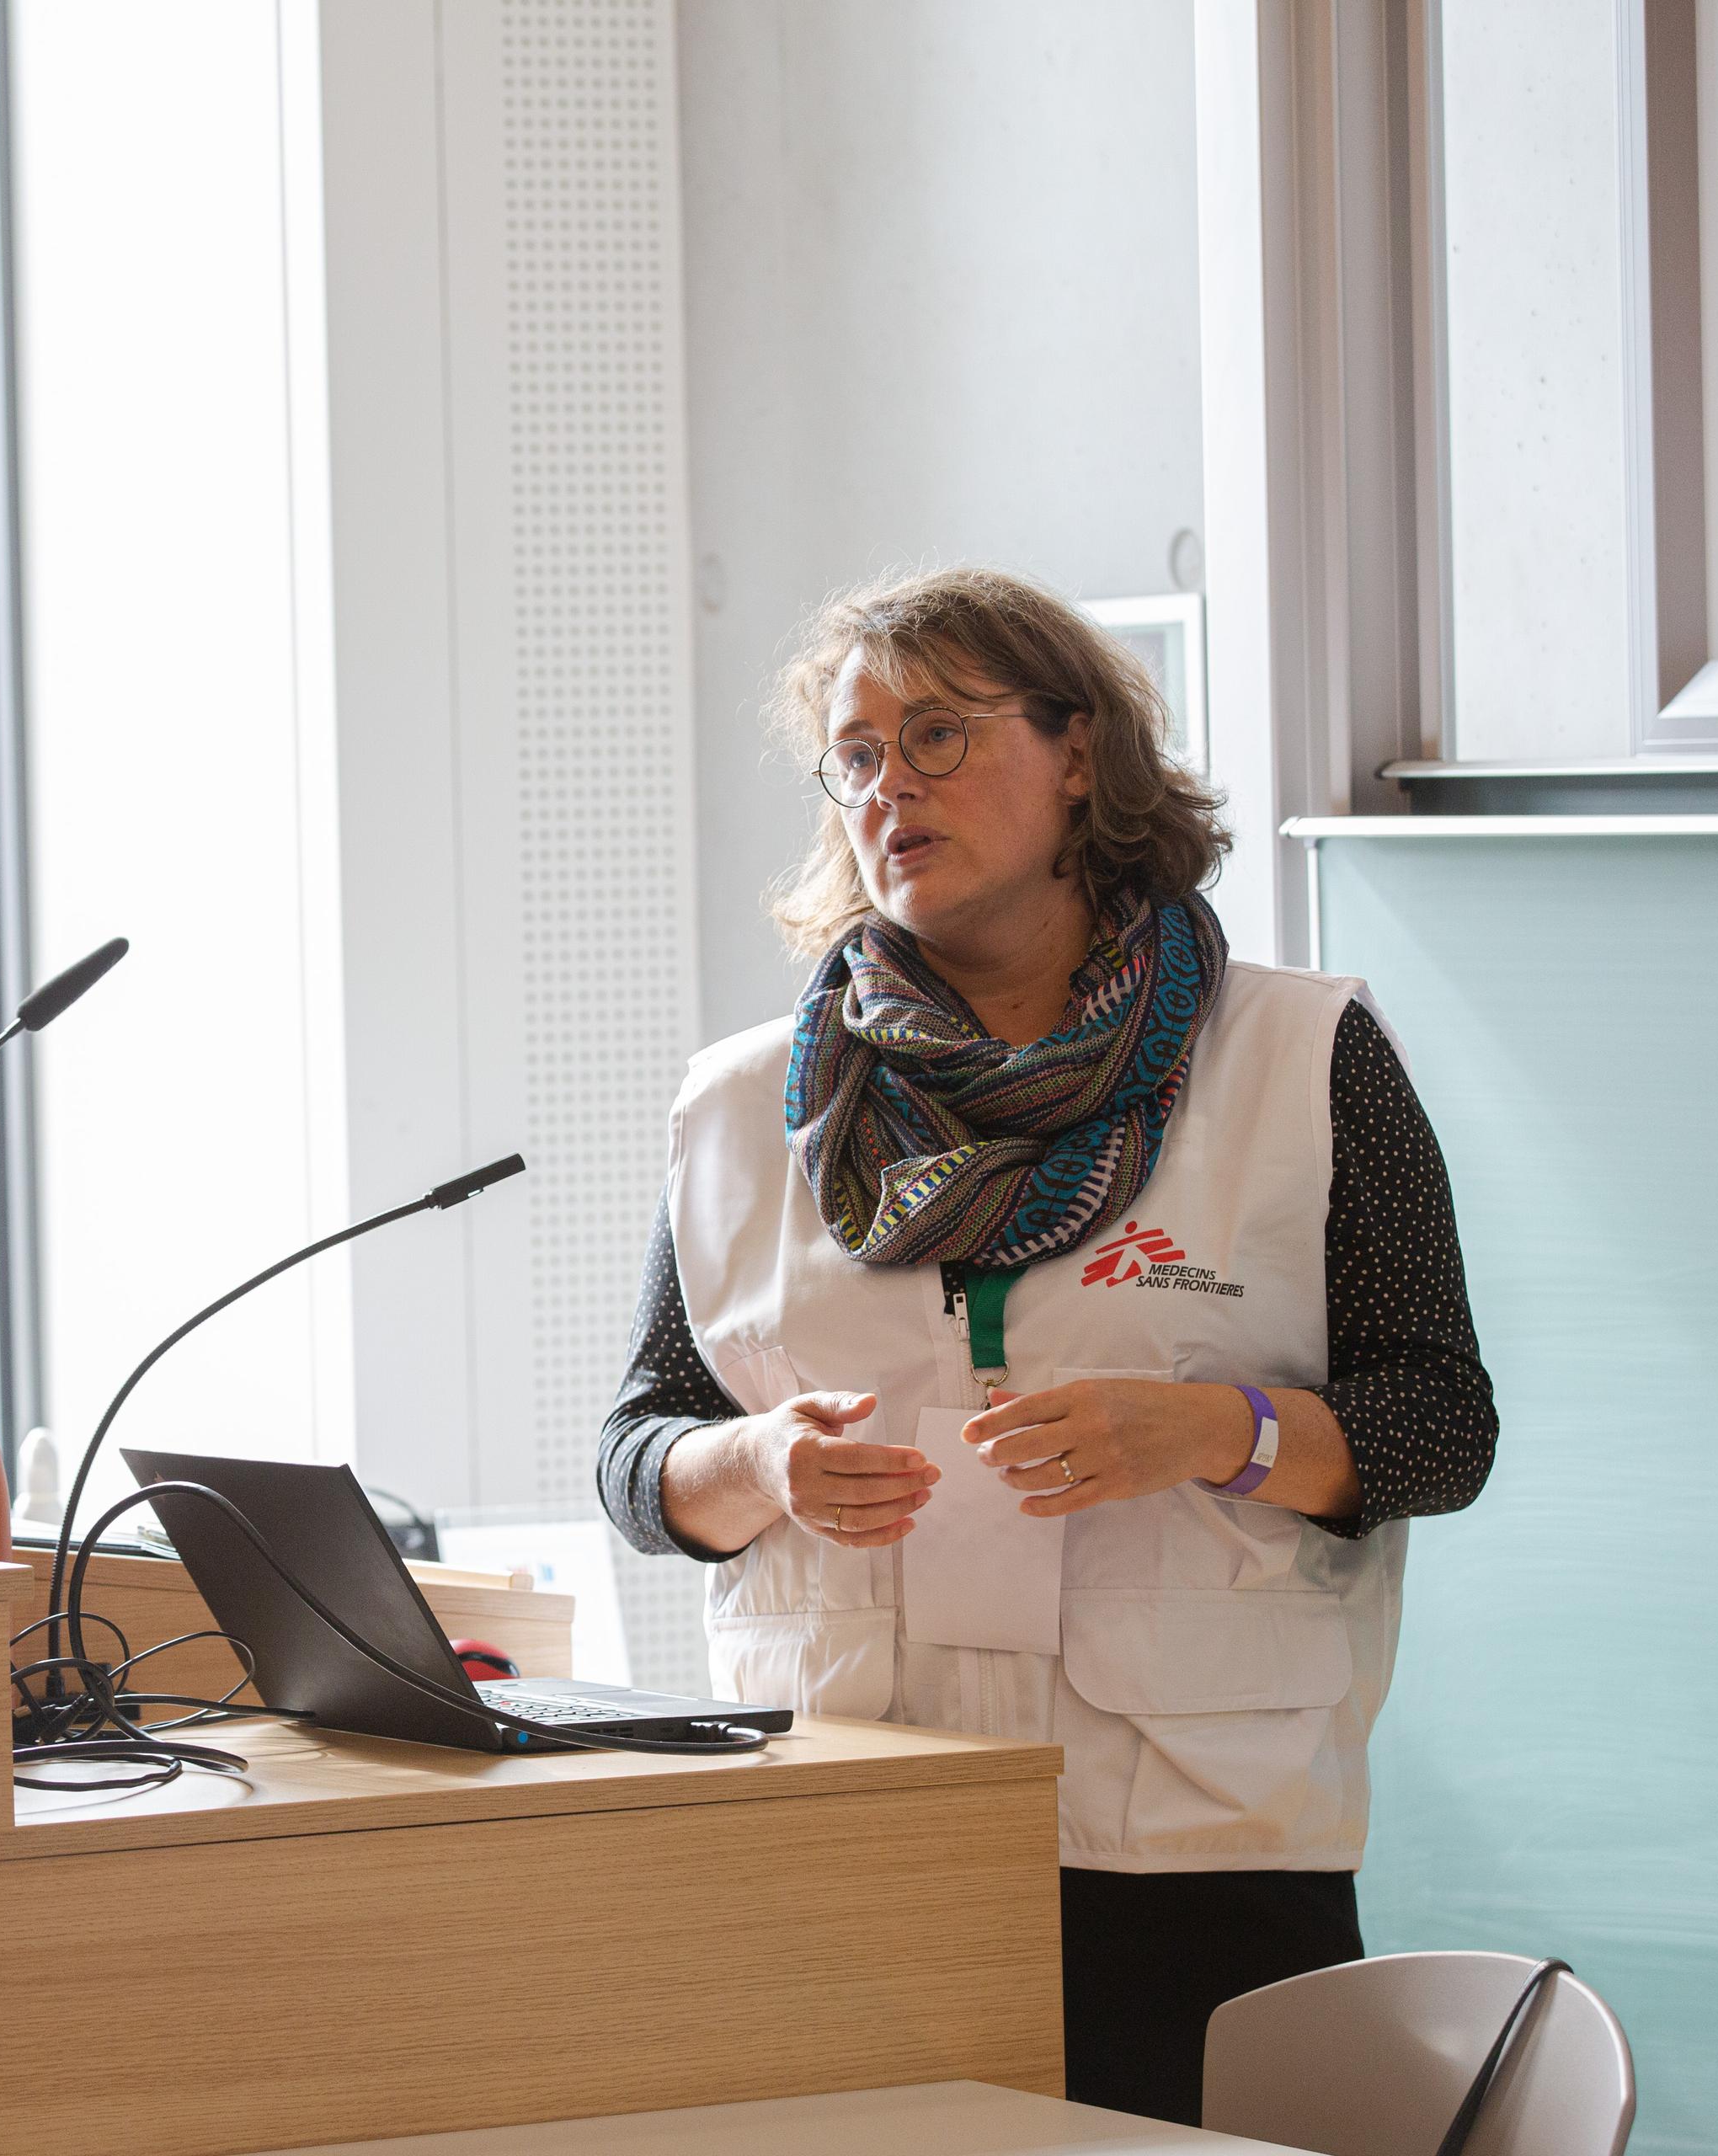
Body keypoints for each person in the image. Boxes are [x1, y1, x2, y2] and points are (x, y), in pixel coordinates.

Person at [595, 567, 1497, 2126]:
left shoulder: (1300, 1054)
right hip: (852, 1828)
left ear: (1080, 752)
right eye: (857, 755)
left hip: (1193, 1847)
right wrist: (751, 1464)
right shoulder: (744, 1106)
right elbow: (638, 1451)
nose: (890, 787)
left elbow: (1442, 1422)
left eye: (937, 736)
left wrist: (1218, 1433)